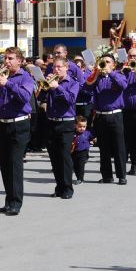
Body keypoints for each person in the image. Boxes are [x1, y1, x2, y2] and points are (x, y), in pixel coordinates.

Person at [0, 47, 34, 215]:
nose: (7, 61)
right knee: (5, 164)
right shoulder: (1, 76)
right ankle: (8, 200)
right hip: (2, 124)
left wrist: (8, 83)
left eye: (11, 58)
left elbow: (25, 97)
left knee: (14, 163)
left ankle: (16, 202)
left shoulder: (25, 77)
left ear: (19, 61)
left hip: (18, 124)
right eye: (5, 58)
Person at [84, 52, 128, 185]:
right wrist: (95, 73)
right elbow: (86, 88)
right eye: (104, 62)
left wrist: (111, 73)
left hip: (115, 115)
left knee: (119, 147)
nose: (105, 64)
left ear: (114, 65)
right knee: (103, 148)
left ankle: (121, 176)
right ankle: (107, 176)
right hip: (100, 116)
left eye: (108, 62)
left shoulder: (118, 75)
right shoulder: (97, 78)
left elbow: (123, 86)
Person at [44, 57, 79, 199]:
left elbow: (70, 100)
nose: (56, 70)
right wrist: (43, 85)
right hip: (51, 122)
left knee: (64, 156)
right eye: (54, 67)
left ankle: (67, 188)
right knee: (54, 157)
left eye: (59, 67)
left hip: (66, 123)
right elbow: (40, 95)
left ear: (66, 68)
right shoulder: (52, 81)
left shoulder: (73, 83)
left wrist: (57, 87)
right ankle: (59, 187)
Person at [71, 115, 93, 185]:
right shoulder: (72, 133)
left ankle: (80, 179)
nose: (82, 128)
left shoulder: (87, 133)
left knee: (80, 166)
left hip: (83, 151)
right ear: (75, 125)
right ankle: (78, 176)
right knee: (75, 166)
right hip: (74, 151)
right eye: (80, 126)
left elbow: (92, 138)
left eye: (84, 126)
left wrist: (93, 140)